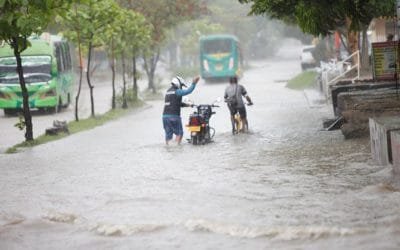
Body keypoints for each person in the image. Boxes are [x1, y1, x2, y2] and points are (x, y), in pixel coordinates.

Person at [162, 75, 200, 145]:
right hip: (174, 116)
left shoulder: (168, 91)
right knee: (179, 133)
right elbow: (188, 91)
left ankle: (169, 148)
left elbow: (175, 103)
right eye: (181, 85)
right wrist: (194, 83)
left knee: (168, 135)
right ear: (178, 83)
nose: (181, 87)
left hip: (165, 117)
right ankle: (176, 148)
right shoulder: (177, 91)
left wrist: (188, 105)